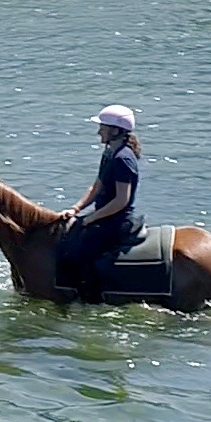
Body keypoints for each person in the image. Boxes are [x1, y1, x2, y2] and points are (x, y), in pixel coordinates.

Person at [55, 105, 146, 301]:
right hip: (105, 217)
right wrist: (76, 209)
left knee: (81, 252)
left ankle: (92, 297)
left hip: (117, 221)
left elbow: (121, 200)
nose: (99, 132)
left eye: (102, 128)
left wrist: (91, 218)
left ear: (115, 131)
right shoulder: (110, 153)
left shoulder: (123, 159)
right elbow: (97, 186)